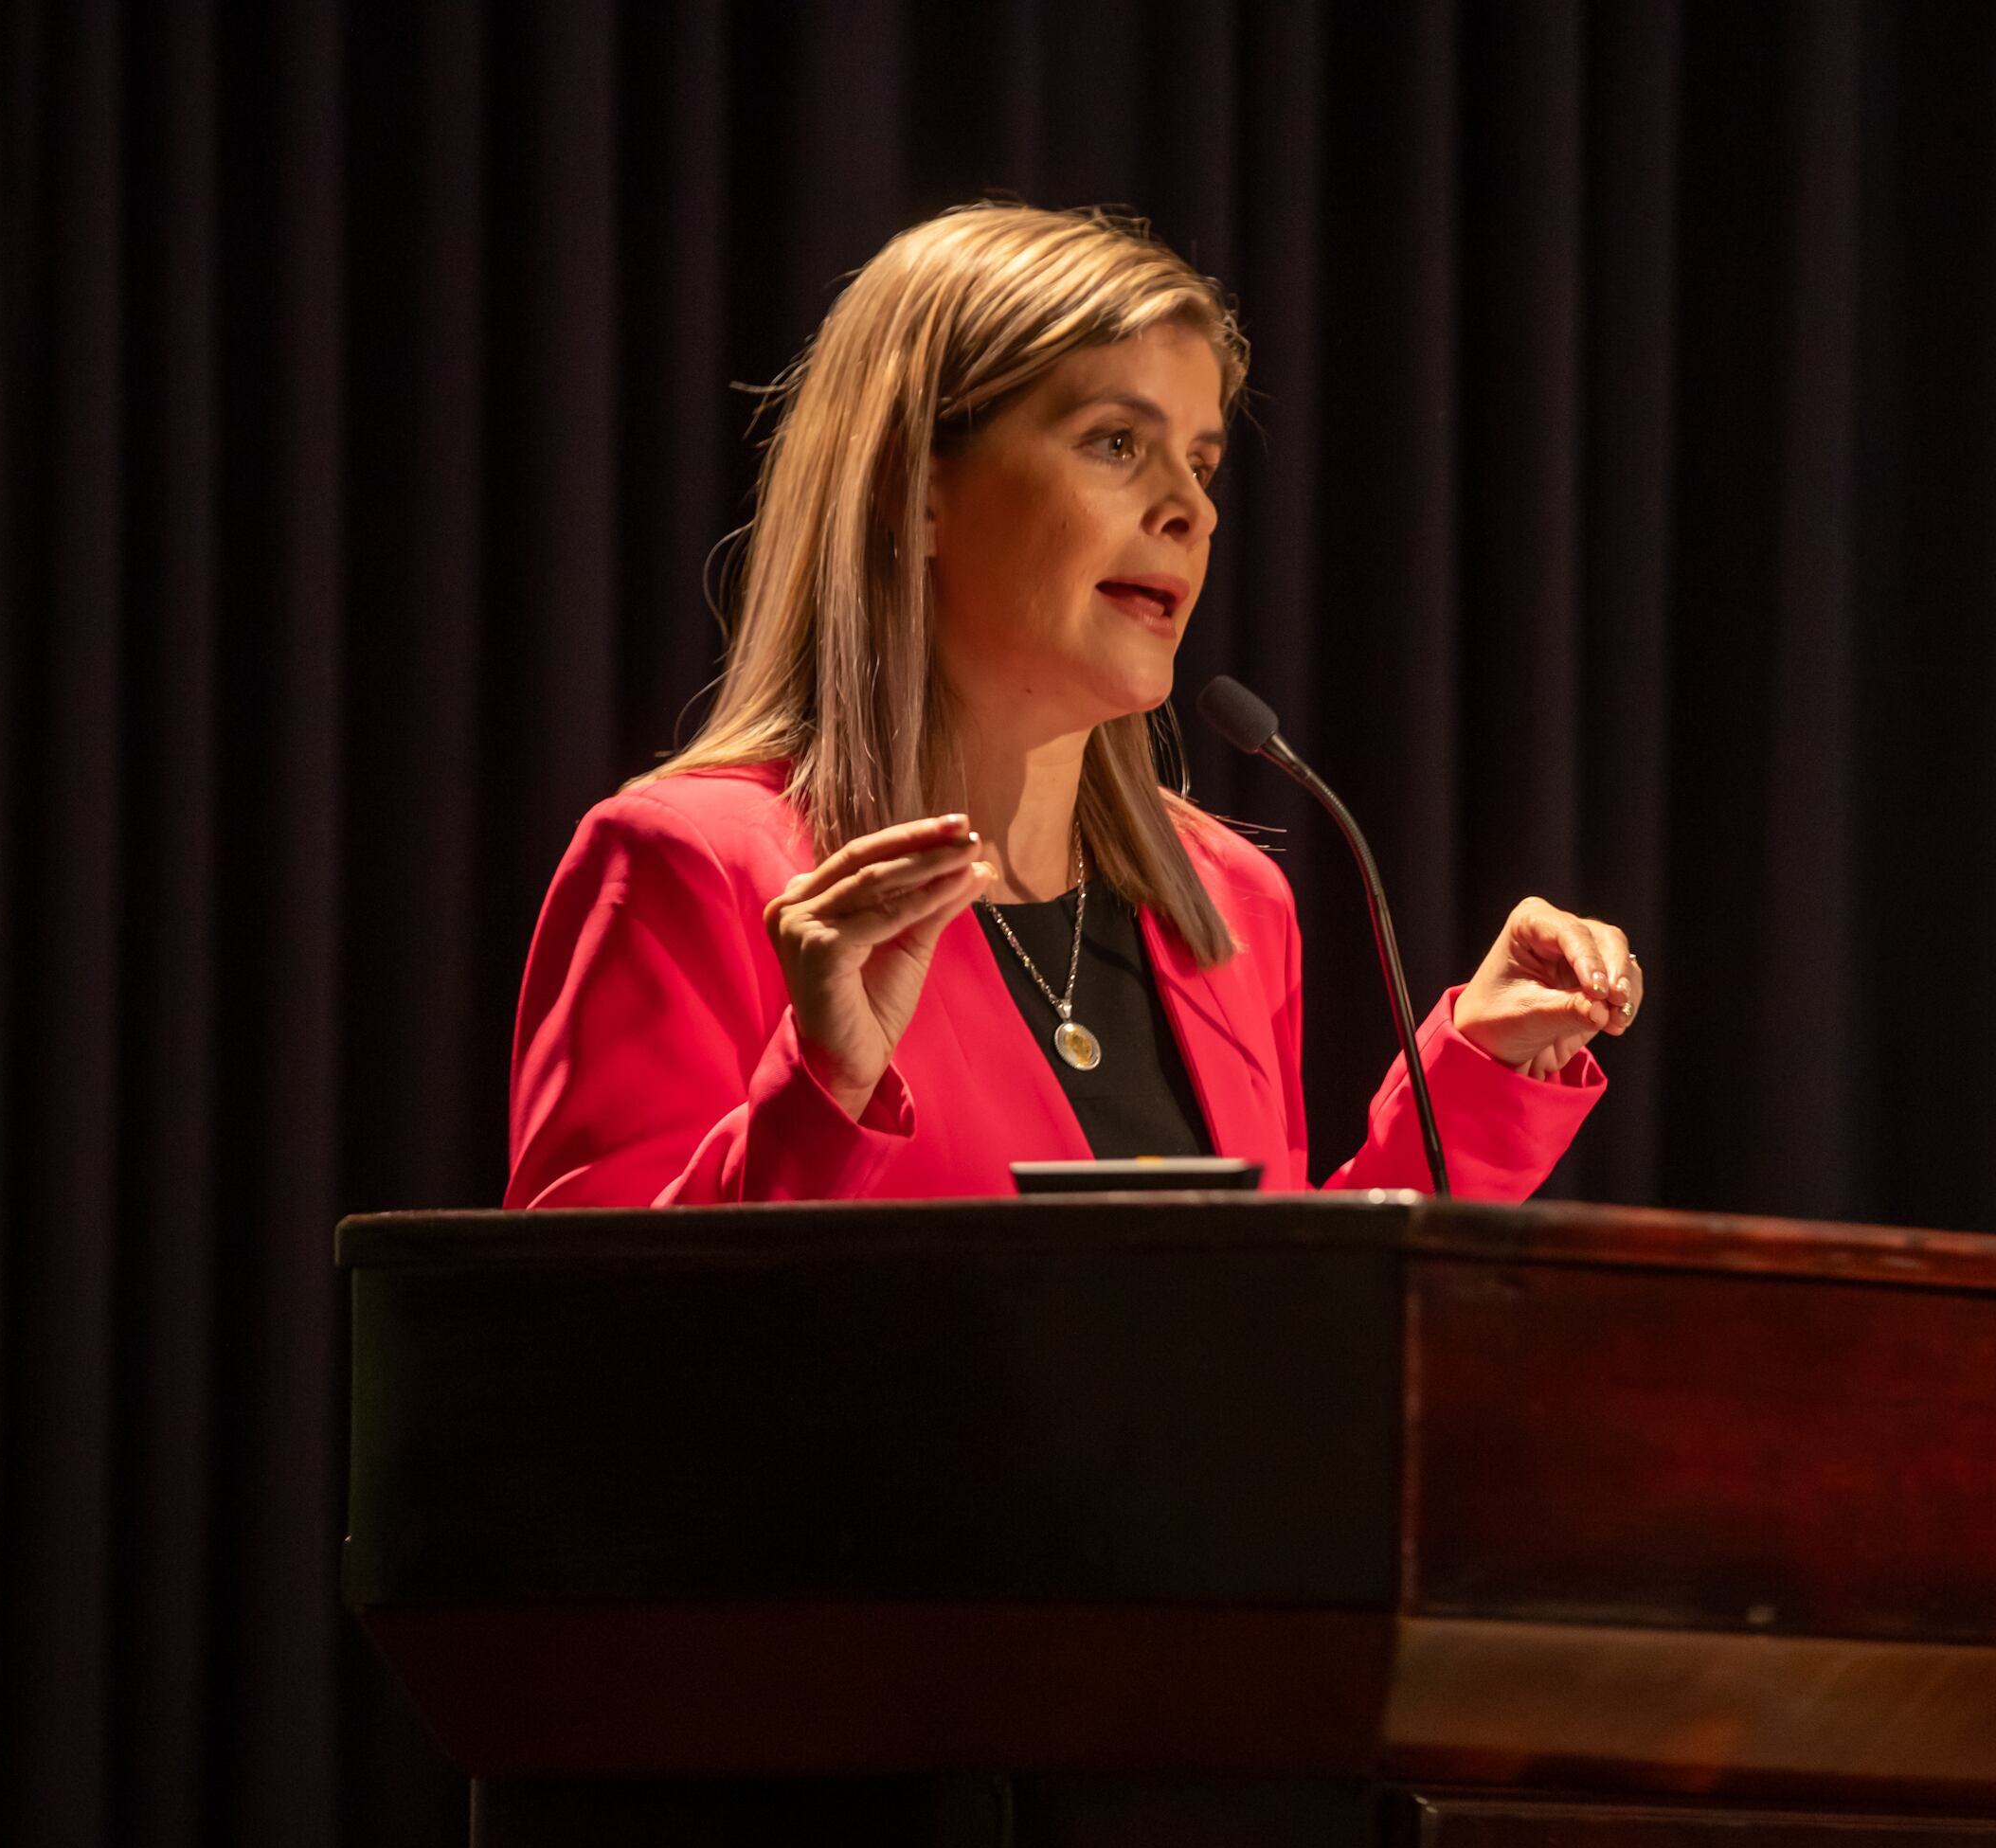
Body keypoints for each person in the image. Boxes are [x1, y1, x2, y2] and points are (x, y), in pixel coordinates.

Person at [505, 204, 1644, 1209]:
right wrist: (824, 1088)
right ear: (918, 488)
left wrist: (1485, 1076)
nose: (1189, 509)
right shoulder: (691, 866)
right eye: (1116, 442)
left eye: (1201, 462)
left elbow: (1270, 1330)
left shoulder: (1230, 905)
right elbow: (583, 1360)